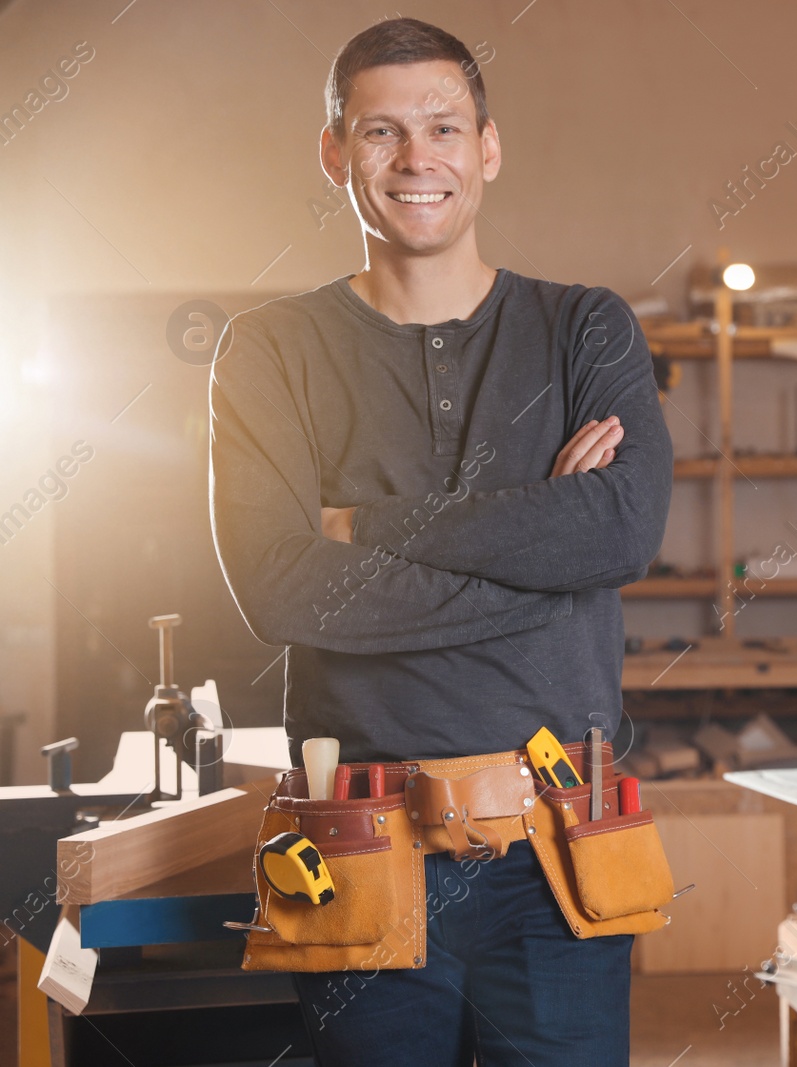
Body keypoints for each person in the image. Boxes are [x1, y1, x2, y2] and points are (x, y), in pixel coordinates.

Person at [207, 17, 671, 1064]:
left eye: (444, 128)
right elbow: (286, 587)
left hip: (558, 847)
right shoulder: (270, 351)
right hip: (361, 846)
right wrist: (544, 564)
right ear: (335, 153)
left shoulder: (587, 328)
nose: (417, 159)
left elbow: (621, 525)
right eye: (380, 132)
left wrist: (363, 528)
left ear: (488, 148)